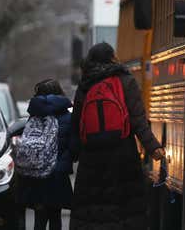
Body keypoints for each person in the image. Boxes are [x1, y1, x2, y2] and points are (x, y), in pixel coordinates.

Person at [70, 42, 165, 230]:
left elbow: (76, 122)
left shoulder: (86, 83)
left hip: (91, 158)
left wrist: (73, 152)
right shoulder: (125, 80)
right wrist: (153, 147)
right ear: (112, 57)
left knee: (91, 207)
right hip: (122, 154)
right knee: (125, 208)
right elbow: (138, 120)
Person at [16, 79, 73, 230]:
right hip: (58, 174)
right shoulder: (68, 117)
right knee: (55, 216)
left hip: (36, 174)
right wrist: (64, 164)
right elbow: (74, 147)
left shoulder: (34, 117)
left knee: (39, 217)